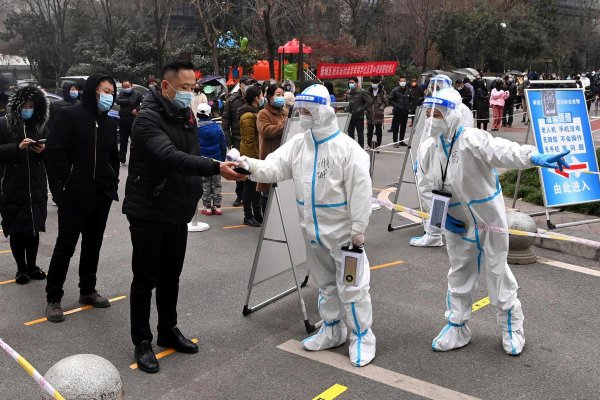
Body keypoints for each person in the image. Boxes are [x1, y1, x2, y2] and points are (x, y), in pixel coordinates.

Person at [415, 87, 570, 356]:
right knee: (459, 273)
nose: (432, 119)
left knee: (498, 272)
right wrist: (440, 217)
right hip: (457, 222)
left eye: (437, 113)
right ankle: (457, 325)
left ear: (452, 114)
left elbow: (503, 150)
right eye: (428, 114)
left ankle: (511, 327)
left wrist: (533, 157)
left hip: (488, 219)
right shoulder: (428, 147)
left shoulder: (472, 139)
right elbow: (425, 186)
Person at [240, 84, 376, 367]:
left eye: (308, 110)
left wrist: (358, 230)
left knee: (352, 286)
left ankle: (362, 336)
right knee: (325, 284)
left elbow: (361, 190)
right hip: (313, 232)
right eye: (300, 109)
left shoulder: (347, 149)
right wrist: (247, 164)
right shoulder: (300, 144)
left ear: (324, 112)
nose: (302, 115)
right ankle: (332, 328)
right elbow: (274, 166)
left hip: (344, 236)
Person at [122, 60, 245, 374]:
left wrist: (219, 161)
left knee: (170, 277)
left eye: (194, 88)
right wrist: (216, 167)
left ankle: (168, 329)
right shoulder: (147, 119)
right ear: (166, 87)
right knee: (145, 279)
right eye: (186, 88)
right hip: (148, 210)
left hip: (176, 208)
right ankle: (142, 341)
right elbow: (171, 157)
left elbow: (191, 154)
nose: (191, 93)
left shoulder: (185, 114)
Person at [44, 73, 120, 322]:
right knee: (65, 245)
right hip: (75, 194)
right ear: (91, 91)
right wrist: (68, 181)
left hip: (101, 194)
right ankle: (53, 298)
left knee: (93, 244)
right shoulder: (70, 115)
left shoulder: (110, 123)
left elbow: (113, 157)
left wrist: (112, 181)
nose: (108, 96)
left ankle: (87, 289)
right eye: (104, 91)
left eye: (111, 92)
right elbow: (55, 151)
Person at [0, 86, 49, 284]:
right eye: (24, 106)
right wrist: (17, 147)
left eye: (31, 106)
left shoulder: (40, 126)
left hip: (36, 184)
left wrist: (43, 149)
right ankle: (21, 269)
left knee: (34, 228)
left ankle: (32, 265)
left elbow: (52, 149)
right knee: (17, 228)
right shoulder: (3, 124)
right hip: (12, 184)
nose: (28, 109)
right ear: (17, 107)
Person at [222, 76, 257, 207]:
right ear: (241, 84)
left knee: (253, 166)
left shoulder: (255, 97)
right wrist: (228, 141)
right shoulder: (232, 100)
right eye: (247, 84)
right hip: (237, 139)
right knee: (239, 167)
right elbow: (225, 122)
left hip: (252, 138)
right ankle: (239, 195)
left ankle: (253, 196)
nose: (248, 86)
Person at [47, 81, 80, 205]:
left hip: (75, 142)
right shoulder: (56, 105)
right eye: (72, 89)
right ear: (66, 90)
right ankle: (57, 196)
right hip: (60, 141)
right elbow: (50, 123)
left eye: (75, 88)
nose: (74, 91)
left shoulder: (79, 104)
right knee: (56, 171)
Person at [256, 83, 287, 213]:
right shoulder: (263, 113)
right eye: (278, 95)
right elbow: (265, 131)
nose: (281, 97)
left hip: (284, 157)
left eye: (283, 95)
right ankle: (266, 224)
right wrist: (283, 125)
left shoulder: (285, 112)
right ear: (270, 97)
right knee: (268, 193)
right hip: (270, 156)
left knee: (283, 192)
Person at [238, 85, 264, 227]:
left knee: (255, 186)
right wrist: (254, 160)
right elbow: (249, 140)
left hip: (254, 155)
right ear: (256, 98)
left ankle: (257, 214)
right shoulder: (247, 115)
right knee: (249, 187)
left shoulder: (254, 112)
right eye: (260, 95)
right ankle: (248, 216)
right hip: (250, 156)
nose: (262, 98)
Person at [196, 103, 226, 216]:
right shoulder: (218, 127)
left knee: (205, 184)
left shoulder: (196, 129)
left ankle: (207, 207)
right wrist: (223, 160)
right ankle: (217, 207)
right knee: (217, 183)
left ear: (198, 114)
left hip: (202, 161)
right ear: (210, 113)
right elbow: (223, 144)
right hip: (217, 160)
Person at [115, 80, 144, 165]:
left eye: (128, 86)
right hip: (123, 120)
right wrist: (128, 101)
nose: (126, 88)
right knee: (123, 141)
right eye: (124, 87)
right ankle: (122, 159)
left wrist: (137, 109)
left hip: (134, 120)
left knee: (135, 141)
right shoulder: (121, 93)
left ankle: (135, 159)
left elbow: (145, 102)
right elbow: (117, 101)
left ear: (132, 86)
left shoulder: (138, 94)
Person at [344, 77, 370, 149]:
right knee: (350, 134)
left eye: (352, 83)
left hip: (359, 116)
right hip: (350, 117)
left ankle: (361, 148)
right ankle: (352, 149)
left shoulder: (362, 92)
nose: (351, 84)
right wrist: (346, 110)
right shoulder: (348, 92)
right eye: (349, 83)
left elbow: (367, 103)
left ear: (356, 83)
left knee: (360, 134)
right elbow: (345, 102)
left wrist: (360, 110)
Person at [389, 76, 413, 147]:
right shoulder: (395, 90)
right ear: (399, 82)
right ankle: (395, 142)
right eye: (401, 81)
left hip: (405, 112)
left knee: (403, 127)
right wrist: (396, 106)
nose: (403, 82)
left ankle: (401, 141)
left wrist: (409, 106)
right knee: (396, 127)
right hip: (397, 111)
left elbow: (412, 99)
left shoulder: (408, 90)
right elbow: (390, 99)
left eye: (404, 81)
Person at [366, 76, 386, 150]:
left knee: (378, 131)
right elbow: (365, 101)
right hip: (369, 114)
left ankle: (378, 145)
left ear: (379, 82)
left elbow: (385, 101)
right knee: (369, 131)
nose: (374, 84)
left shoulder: (382, 91)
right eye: (373, 82)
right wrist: (367, 109)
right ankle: (369, 145)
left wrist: (381, 108)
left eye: (376, 83)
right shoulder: (368, 91)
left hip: (378, 114)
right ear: (371, 83)